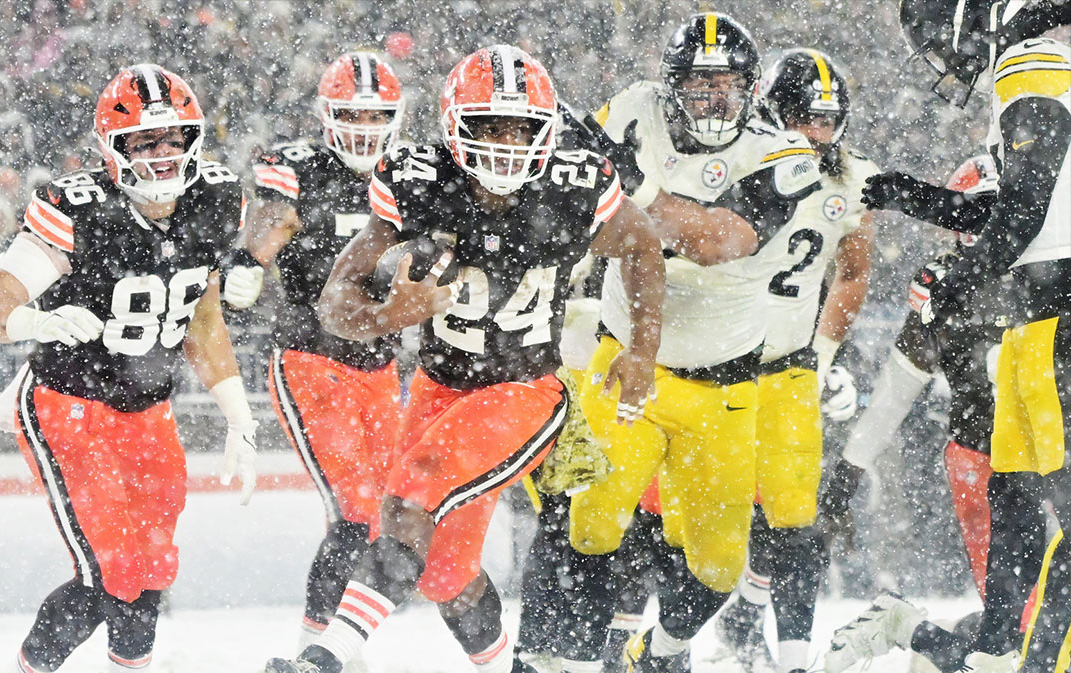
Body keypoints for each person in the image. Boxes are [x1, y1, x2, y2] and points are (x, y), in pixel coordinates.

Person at [266, 43, 666, 673]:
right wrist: (390, 316)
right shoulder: (419, 182)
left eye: (521, 128)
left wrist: (642, 349)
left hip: (524, 389)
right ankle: (505, 663)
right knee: (445, 573)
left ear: (547, 133)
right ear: (455, 125)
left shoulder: (573, 183)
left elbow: (644, 246)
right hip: (437, 386)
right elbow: (332, 304)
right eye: (490, 127)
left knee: (410, 499)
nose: (507, 145)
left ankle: (326, 656)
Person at [548, 13, 824, 673]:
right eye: (699, 85)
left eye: (727, 84)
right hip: (628, 359)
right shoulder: (634, 110)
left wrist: (632, 189)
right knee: (590, 519)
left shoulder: (782, 153)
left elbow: (715, 238)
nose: (714, 99)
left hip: (725, 382)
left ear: (751, 89)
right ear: (671, 86)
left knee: (720, 564)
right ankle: (576, 657)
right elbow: (567, 169)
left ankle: (663, 649)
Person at [0, 63, 259, 673]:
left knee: (151, 571)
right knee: (113, 570)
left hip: (149, 410)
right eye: (144, 142)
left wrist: (238, 414)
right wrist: (31, 322)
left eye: (173, 138)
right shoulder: (79, 208)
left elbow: (202, 319)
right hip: (67, 404)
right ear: (112, 149)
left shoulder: (217, 199)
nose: (162, 154)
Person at [826, 1, 1070, 672]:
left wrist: (915, 207)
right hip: (1048, 331)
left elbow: (1015, 207)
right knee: (1033, 559)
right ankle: (1001, 655)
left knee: (1022, 530)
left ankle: (985, 655)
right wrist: (960, 271)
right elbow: (1020, 207)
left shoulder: (1031, 65)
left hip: (1038, 331)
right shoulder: (1033, 64)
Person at [221, 51, 408, 654]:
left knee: (383, 514)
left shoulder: (410, 172)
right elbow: (275, 219)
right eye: (351, 113)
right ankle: (314, 651)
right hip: (311, 359)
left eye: (376, 114)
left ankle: (334, 648)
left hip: (379, 364)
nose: (363, 127)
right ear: (327, 116)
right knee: (356, 508)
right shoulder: (297, 164)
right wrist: (250, 260)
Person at [711, 48, 879, 673]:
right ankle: (670, 633)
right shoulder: (733, 161)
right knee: (710, 512)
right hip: (717, 357)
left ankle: (779, 642)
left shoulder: (850, 177)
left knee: (793, 507)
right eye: (805, 117)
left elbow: (853, 272)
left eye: (828, 120)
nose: (818, 133)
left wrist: (826, 355)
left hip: (789, 357)